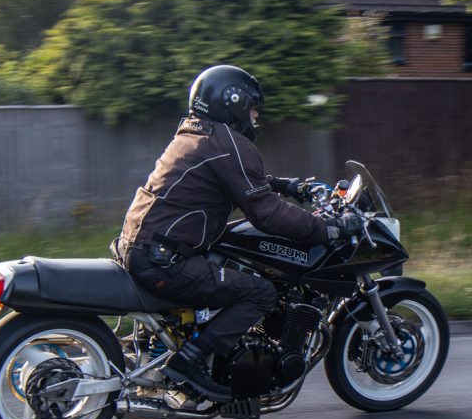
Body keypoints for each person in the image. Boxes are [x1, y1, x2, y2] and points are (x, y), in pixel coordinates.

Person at [115, 65, 359, 401]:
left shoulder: (196, 135)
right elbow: (266, 213)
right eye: (253, 107)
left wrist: (286, 185)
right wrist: (326, 229)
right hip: (165, 261)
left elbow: (242, 180)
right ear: (233, 103)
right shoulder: (228, 143)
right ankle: (189, 362)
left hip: (143, 247)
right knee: (260, 293)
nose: (255, 116)